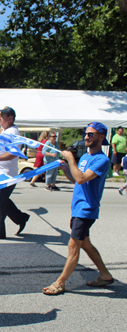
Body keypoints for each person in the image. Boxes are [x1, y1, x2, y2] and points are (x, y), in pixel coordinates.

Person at [42, 122, 113, 295]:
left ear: (101, 137)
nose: (86, 137)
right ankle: (105, 275)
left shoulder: (101, 160)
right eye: (86, 134)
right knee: (86, 244)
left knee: (73, 245)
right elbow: (76, 180)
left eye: (91, 134)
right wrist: (66, 167)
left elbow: (81, 179)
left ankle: (60, 282)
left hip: (87, 209)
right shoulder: (86, 158)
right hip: (78, 208)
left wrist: (70, 159)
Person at [0, 106, 30, 239]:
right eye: (0, 115)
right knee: (0, 198)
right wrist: (0, 131)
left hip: (7, 174)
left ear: (11, 118)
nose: (0, 118)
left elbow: (13, 153)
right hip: (0, 171)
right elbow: (4, 136)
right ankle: (21, 218)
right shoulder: (7, 131)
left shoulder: (13, 133)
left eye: (3, 115)